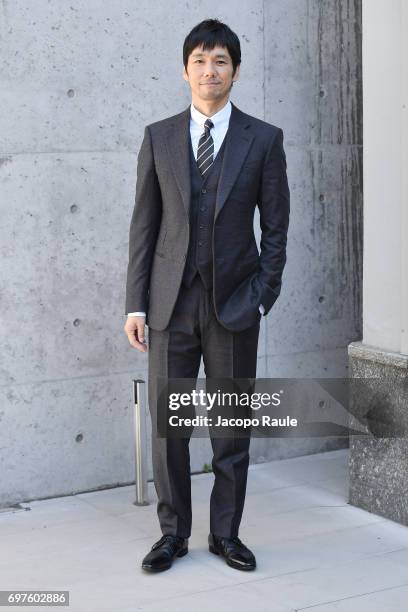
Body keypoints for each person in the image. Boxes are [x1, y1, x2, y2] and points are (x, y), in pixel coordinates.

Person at [124, 18, 290, 573]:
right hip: (170, 305)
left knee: (230, 429)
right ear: (185, 70)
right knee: (170, 428)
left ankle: (226, 535)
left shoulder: (264, 139)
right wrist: (136, 304)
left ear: (235, 72)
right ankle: (172, 536)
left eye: (220, 61)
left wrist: (263, 296)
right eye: (200, 60)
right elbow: (144, 226)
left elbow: (277, 229)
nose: (209, 70)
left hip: (235, 305)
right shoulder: (159, 136)